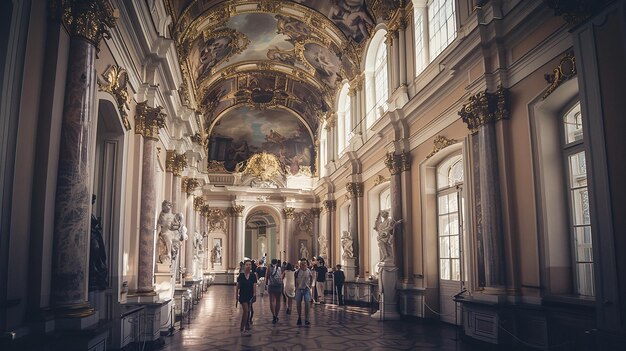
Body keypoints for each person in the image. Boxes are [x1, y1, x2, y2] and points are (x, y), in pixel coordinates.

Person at [236, 259, 256, 335]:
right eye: (247, 264)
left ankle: (247, 326)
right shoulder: (241, 276)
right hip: (243, 295)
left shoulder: (253, 276)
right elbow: (237, 287)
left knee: (249, 311)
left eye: (249, 265)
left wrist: (254, 295)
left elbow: (254, 286)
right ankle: (242, 328)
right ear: (244, 266)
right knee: (246, 311)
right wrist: (236, 297)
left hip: (250, 296)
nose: (248, 266)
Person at [294, 258, 314, 326]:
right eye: (302, 264)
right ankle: (299, 317)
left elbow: (311, 277)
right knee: (298, 304)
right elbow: (295, 278)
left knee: (307, 304)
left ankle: (306, 319)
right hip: (299, 289)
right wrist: (296, 287)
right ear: (300, 265)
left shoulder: (308, 271)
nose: (304, 265)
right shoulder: (297, 271)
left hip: (306, 289)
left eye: (305, 264)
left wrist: (310, 285)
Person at [265, 258, 283, 324]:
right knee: (278, 301)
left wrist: (266, 284)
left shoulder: (269, 267)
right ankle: (277, 315)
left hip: (271, 285)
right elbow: (281, 276)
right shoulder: (279, 268)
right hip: (278, 285)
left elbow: (267, 276)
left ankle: (274, 315)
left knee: (272, 301)